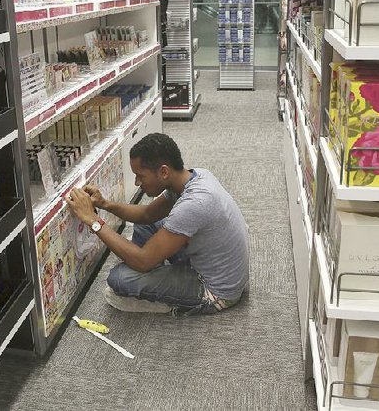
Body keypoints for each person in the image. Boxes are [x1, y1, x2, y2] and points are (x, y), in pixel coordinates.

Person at [65, 133, 249, 315]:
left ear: (163, 172)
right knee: (145, 225)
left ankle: (168, 293)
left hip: (216, 291)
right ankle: (153, 273)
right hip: (212, 261)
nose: (137, 182)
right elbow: (147, 214)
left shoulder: (194, 204)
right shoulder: (194, 176)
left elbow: (144, 261)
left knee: (119, 278)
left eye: (140, 176)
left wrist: (92, 220)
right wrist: (105, 204)